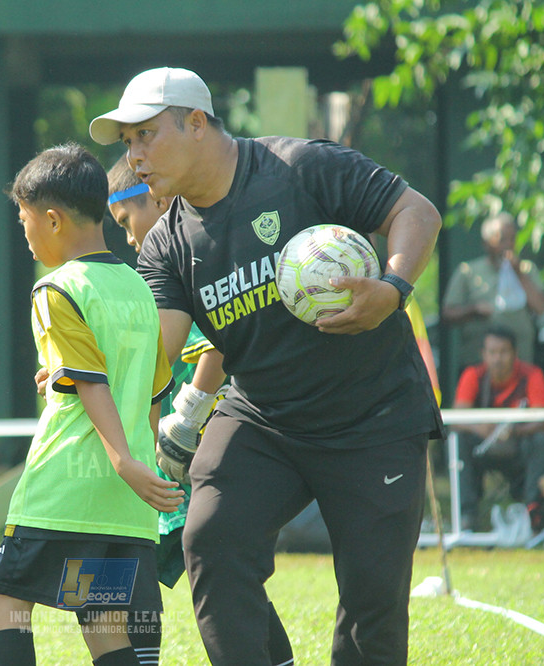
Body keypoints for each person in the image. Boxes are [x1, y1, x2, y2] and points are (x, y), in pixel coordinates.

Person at [90, 67, 443, 664]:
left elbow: (417, 211)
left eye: (145, 135)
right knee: (210, 538)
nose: (136, 157)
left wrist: (393, 286)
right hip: (264, 418)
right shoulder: (166, 244)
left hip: (374, 416)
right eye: (127, 143)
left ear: (196, 123)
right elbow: (156, 352)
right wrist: (84, 366)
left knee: (371, 607)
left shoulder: (299, 166)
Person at [0, 142, 184, 666]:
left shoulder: (56, 288)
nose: (23, 233)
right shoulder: (138, 288)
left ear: (51, 219)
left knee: (4, 604)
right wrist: (136, 464)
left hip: (65, 485)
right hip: (122, 501)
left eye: (24, 219)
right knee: (102, 620)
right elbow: (148, 389)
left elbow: (94, 384)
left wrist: (119, 459)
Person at [106, 154, 294, 665]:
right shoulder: (160, 271)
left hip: (198, 453)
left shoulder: (183, 267)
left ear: (159, 199)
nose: (127, 239)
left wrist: (186, 418)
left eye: (127, 222)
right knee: (209, 571)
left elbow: (217, 343)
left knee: (200, 567)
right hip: (177, 454)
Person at [451, 326, 544, 532]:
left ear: (515, 354)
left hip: (519, 446)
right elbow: (456, 419)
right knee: (457, 440)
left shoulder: (532, 375)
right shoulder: (473, 375)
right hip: (482, 447)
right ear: (483, 354)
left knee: (542, 442)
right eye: (492, 352)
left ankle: (532, 513)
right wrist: (481, 429)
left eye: (504, 352)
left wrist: (514, 432)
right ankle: (467, 516)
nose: (498, 359)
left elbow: (543, 421)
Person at [442, 211, 544, 370]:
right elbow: (448, 314)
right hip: (478, 366)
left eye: (512, 239)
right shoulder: (468, 271)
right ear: (487, 242)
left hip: (521, 366)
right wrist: (474, 310)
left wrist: (519, 273)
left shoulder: (526, 269)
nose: (508, 245)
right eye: (502, 239)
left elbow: (540, 308)